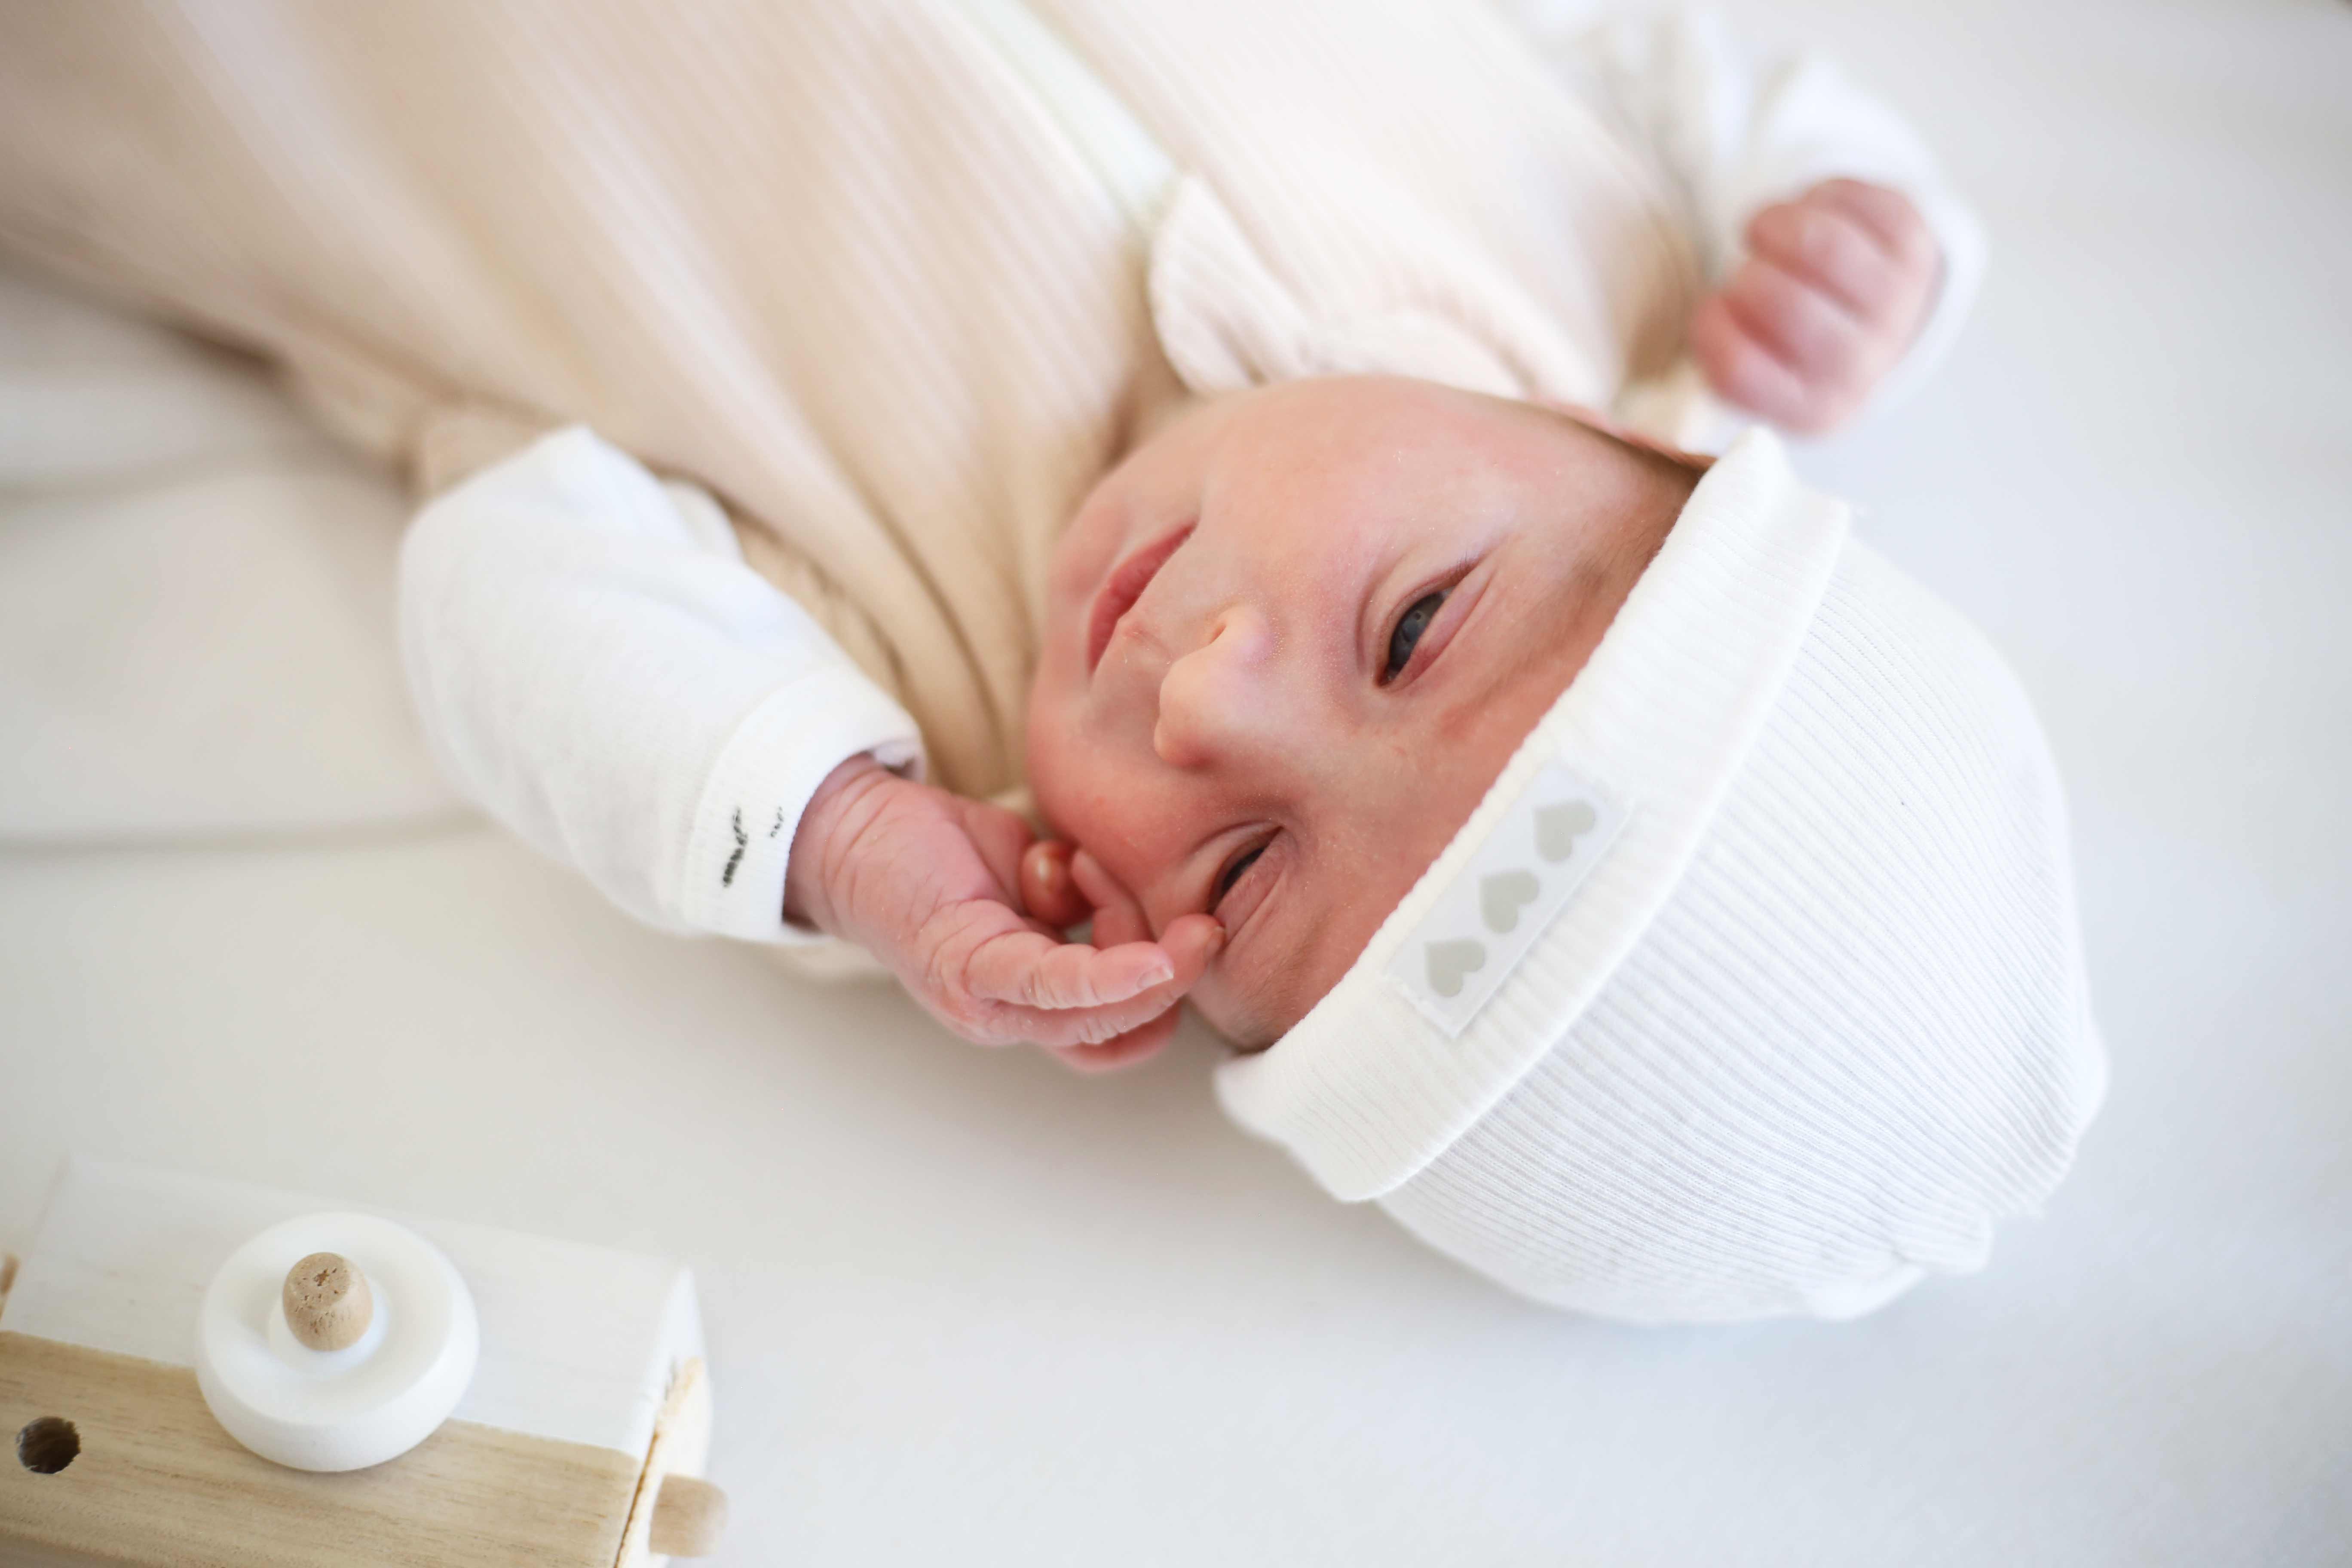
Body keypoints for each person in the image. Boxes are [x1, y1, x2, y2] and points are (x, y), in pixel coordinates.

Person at [0, 1, 2102, 1319]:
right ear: (1645, 443)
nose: (1203, 705)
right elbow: (1655, 53)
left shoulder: (897, 696)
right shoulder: (1602, 254)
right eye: (1414, 630)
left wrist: (837, 840)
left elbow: (505, 590)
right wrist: (1847, 209)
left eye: (1245, 872)